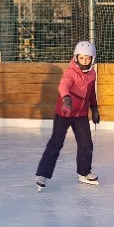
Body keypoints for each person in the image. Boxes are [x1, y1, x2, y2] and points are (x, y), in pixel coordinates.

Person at [35, 40, 101, 189]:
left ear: (92, 59)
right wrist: (66, 99)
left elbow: (91, 93)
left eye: (88, 58)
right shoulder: (70, 72)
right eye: (82, 58)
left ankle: (84, 173)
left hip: (81, 114)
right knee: (56, 143)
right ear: (76, 57)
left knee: (86, 144)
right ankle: (43, 174)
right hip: (65, 111)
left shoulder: (92, 74)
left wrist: (94, 108)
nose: (84, 61)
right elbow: (63, 85)